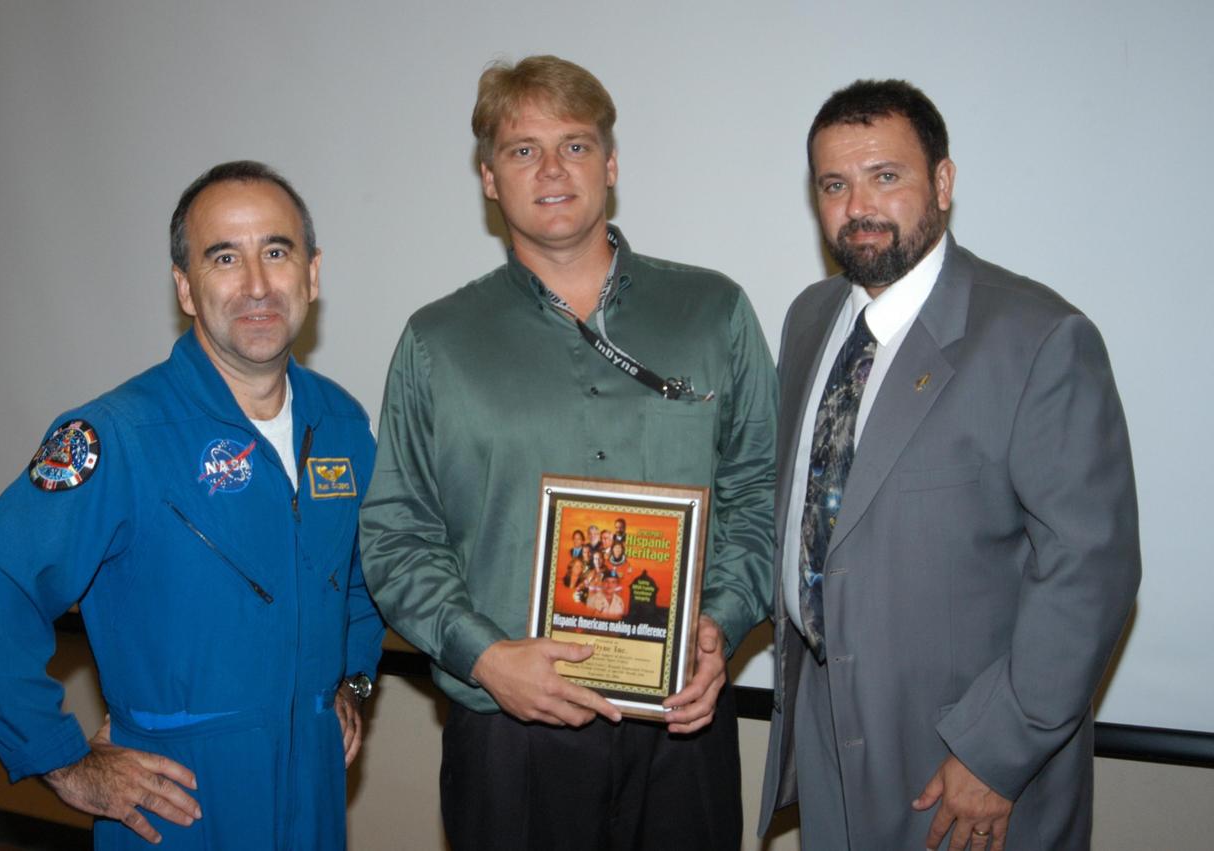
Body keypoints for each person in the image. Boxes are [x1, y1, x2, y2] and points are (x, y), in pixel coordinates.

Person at [360, 55, 777, 850]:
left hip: (680, 721)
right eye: (524, 150)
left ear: (610, 165)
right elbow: (396, 534)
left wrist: (719, 621)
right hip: (510, 731)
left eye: (575, 145)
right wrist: (485, 658)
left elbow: (759, 491)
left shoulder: (713, 311)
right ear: (489, 179)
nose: (552, 169)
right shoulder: (436, 342)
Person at [0, 161, 384, 849]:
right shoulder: (120, 434)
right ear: (185, 286)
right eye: (224, 258)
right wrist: (63, 761)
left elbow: (364, 577)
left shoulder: (343, 425)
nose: (257, 284)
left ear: (312, 273)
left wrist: (352, 683)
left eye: (276, 251)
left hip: (314, 794)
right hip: (177, 808)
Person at [757, 79, 1141, 850]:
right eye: (834, 184)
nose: (858, 206)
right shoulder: (809, 318)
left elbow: (1091, 570)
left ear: (942, 182)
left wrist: (997, 752)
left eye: (885, 176)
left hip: (965, 757)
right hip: (826, 730)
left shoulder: (1039, 337)